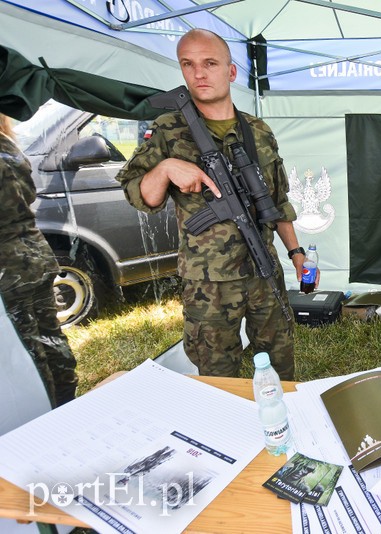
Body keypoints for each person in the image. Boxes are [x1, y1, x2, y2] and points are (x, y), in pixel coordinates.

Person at [117, 29, 316, 380]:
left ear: (231, 71)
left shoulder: (258, 130)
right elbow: (140, 195)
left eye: (210, 63)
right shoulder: (167, 130)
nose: (199, 73)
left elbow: (277, 201)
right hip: (208, 281)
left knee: (280, 363)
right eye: (188, 64)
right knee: (216, 374)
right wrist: (165, 168)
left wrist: (297, 254)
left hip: (262, 268)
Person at [0, 113, 78, 407]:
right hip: (34, 255)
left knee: (25, 353)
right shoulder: (7, 142)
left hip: (8, 268)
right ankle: (67, 404)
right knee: (51, 340)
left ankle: (46, 414)